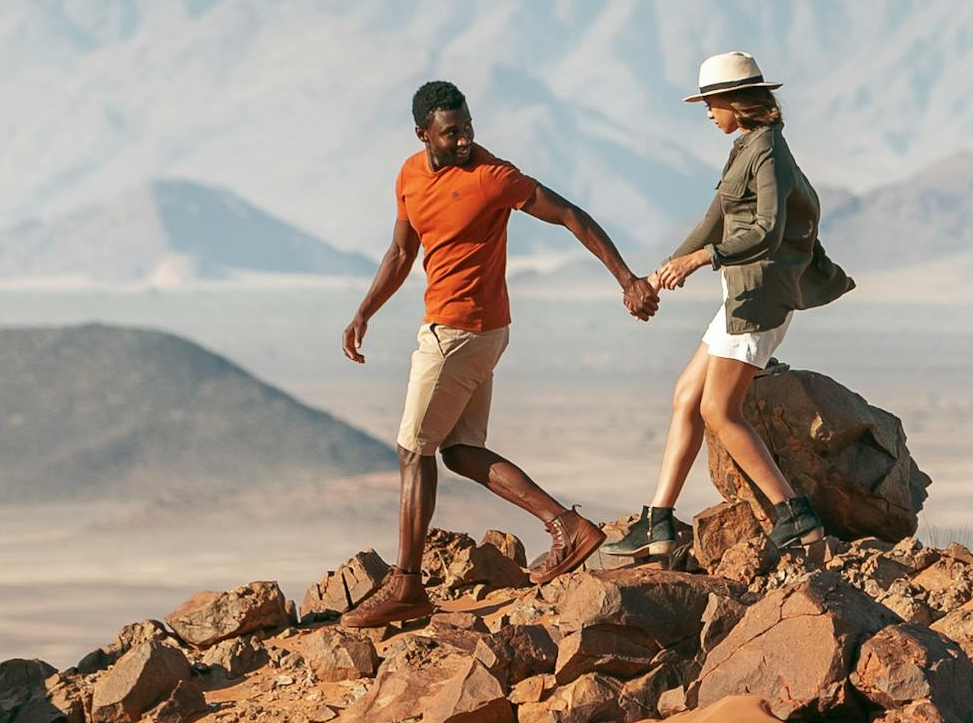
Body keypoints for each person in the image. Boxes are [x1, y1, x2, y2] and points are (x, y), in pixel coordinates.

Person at [340, 78, 660, 629]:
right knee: (460, 451)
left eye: (468, 128)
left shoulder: (493, 177)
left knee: (412, 451)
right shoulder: (410, 176)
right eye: (452, 133)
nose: (465, 140)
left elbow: (570, 215)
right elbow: (400, 250)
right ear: (424, 135)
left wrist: (627, 279)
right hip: (462, 331)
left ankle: (407, 585)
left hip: (461, 333)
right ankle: (568, 526)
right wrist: (365, 310)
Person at [594, 49, 853, 569]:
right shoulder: (744, 149)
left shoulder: (770, 153)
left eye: (712, 103)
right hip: (740, 294)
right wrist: (661, 272)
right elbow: (714, 218)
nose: (709, 113)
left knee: (718, 409)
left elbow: (767, 231)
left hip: (762, 297)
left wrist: (700, 260)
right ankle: (659, 521)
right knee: (686, 396)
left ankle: (794, 514)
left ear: (737, 101)